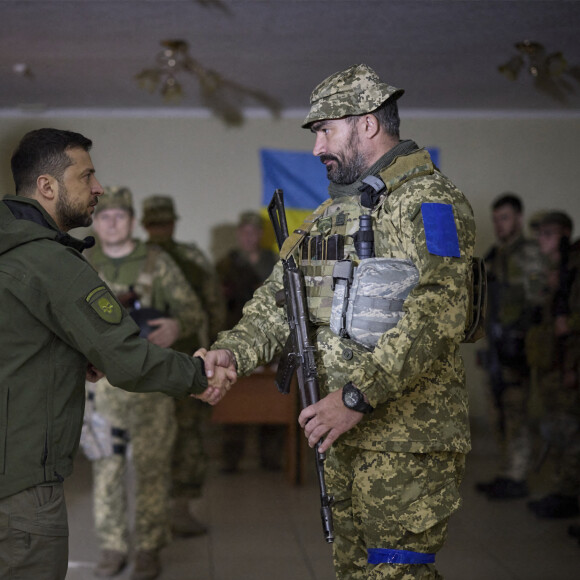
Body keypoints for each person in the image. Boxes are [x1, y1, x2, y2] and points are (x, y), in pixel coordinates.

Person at [204, 64, 476, 579]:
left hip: (404, 436)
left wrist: (357, 396)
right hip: (340, 431)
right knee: (353, 570)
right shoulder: (334, 213)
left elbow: (437, 311)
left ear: (368, 124)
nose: (317, 148)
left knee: (396, 573)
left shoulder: (428, 200)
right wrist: (232, 352)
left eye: (325, 130)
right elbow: (281, 300)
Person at [0, 128, 234, 580]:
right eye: (86, 176)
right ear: (47, 187)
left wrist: (72, 354)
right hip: (22, 481)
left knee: (149, 474)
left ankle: (146, 548)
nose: (98, 189)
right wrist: (201, 375)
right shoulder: (51, 261)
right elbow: (126, 359)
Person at [85, 187, 211, 579]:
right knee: (106, 468)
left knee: (153, 468)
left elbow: (192, 311)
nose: (111, 223)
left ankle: (148, 548)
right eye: (104, 217)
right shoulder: (82, 263)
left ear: (132, 221)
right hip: (102, 389)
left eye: (119, 216)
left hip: (151, 386)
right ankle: (112, 546)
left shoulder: (157, 262)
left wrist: (176, 325)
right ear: (96, 222)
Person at [141, 194, 225, 536]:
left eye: (163, 223)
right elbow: (215, 307)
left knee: (184, 436)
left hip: (177, 363)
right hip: (166, 364)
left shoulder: (141, 260)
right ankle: (168, 511)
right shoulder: (140, 261)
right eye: (157, 223)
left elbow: (214, 305)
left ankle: (172, 511)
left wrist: (217, 351)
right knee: (172, 437)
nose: (161, 229)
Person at [476, 194, 546, 499]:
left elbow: (537, 302)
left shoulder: (528, 254)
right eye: (496, 219)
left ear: (518, 218)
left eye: (504, 217)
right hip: (496, 344)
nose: (499, 224)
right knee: (498, 411)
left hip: (516, 346)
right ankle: (508, 471)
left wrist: (520, 339)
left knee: (516, 410)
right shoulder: (496, 256)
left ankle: (517, 475)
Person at [215, 211, 282, 472]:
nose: (249, 237)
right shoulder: (226, 264)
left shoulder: (272, 262)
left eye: (254, 232)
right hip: (235, 338)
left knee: (272, 399)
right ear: (238, 234)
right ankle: (230, 457)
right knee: (234, 400)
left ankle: (271, 457)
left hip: (271, 339)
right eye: (244, 232)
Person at [525, 211, 580, 520]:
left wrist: (568, 324)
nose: (541, 239)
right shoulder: (555, 270)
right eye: (540, 233)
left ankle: (567, 493)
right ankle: (563, 490)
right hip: (552, 363)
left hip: (567, 363)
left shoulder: (574, 269)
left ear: (564, 234)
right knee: (558, 429)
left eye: (548, 233)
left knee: (569, 430)